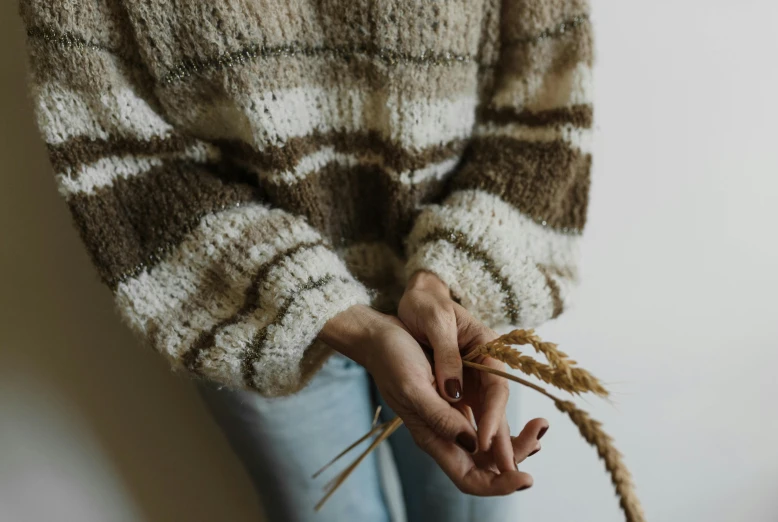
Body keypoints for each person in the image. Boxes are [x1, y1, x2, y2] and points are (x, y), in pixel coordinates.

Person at [19, 0, 593, 520]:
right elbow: (114, 150)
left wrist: (448, 278)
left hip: (458, 307)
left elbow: (545, 100)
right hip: (252, 312)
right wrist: (324, 309)